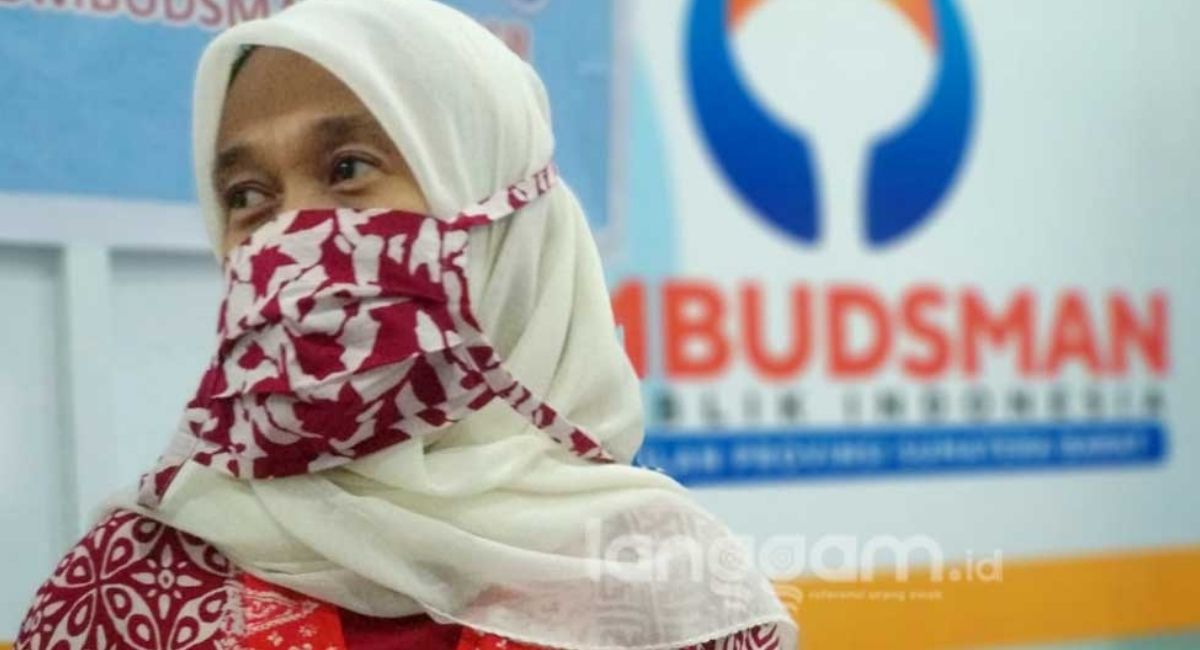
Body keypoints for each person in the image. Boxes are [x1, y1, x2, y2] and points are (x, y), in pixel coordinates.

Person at [15, 0, 798, 648]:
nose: (290, 233)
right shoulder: (126, 585)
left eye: (348, 168)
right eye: (247, 196)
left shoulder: (672, 590)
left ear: (501, 216)